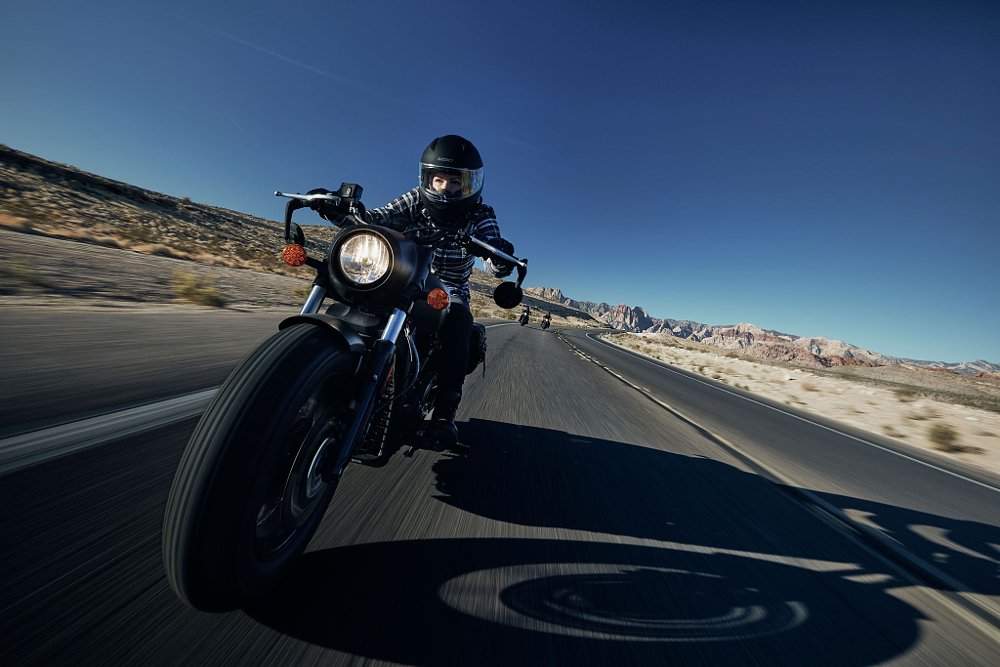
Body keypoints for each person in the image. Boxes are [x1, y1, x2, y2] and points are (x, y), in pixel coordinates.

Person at [314, 135, 515, 447]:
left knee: (460, 319)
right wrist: (337, 210)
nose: (445, 188)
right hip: (402, 275)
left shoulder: (480, 214)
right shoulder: (415, 199)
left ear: (469, 185)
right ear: (427, 179)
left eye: (455, 182)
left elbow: (490, 252)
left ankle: (445, 413)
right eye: (438, 180)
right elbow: (377, 218)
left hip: (448, 289)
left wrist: (499, 256)